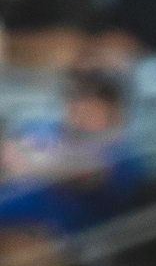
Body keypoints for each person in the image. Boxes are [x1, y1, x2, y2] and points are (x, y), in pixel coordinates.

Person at [0, 68, 142, 238]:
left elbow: (88, 172)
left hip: (54, 240)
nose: (77, 120)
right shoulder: (50, 130)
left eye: (89, 113)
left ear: (115, 115)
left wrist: (29, 164)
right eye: (74, 110)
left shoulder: (121, 155)